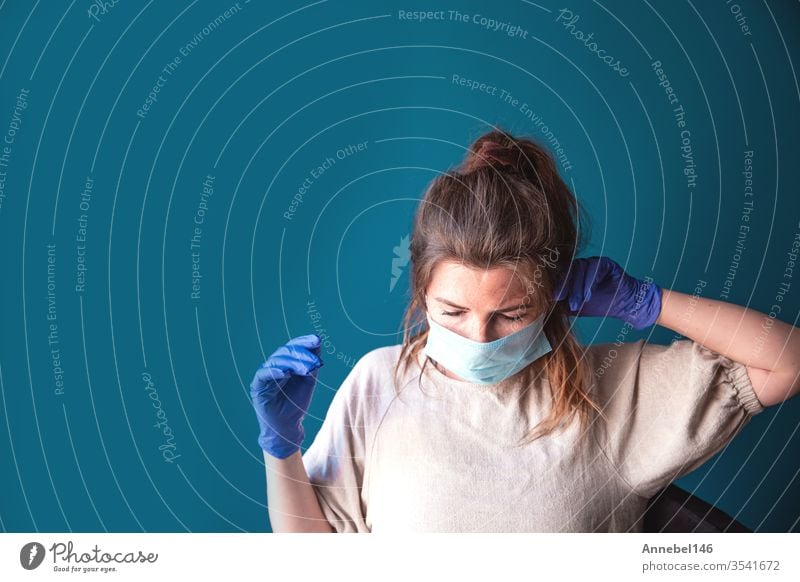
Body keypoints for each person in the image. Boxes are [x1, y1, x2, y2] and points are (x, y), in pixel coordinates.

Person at [249, 127, 800, 533]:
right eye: (452, 311)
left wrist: (645, 301)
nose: (480, 338)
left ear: (553, 297)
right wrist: (282, 450)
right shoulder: (378, 385)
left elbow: (785, 361)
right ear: (420, 290)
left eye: (511, 314)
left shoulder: (606, 389)